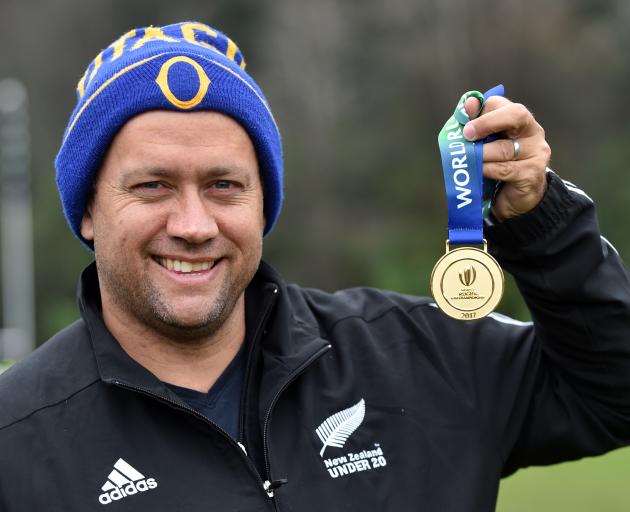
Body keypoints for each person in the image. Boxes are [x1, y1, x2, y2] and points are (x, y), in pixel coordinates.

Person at [1, 21, 629, 511]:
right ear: (87, 211)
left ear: (263, 203)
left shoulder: (417, 358)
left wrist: (541, 224)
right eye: (152, 186)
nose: (193, 226)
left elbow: (613, 393)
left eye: (224, 186)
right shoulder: (16, 439)